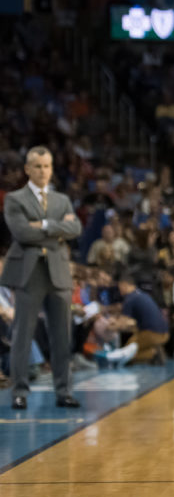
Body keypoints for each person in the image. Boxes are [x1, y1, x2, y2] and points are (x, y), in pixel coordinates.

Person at [2, 146, 82, 410]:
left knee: (62, 336)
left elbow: (75, 228)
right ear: (27, 169)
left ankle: (64, 391)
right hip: (29, 273)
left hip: (58, 272)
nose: (43, 171)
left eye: (47, 166)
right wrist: (57, 230)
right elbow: (22, 233)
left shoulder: (62, 199)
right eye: (37, 166)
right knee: (22, 335)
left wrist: (44, 225)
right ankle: (20, 391)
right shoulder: (15, 199)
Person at [110, 274, 169, 364]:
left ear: (124, 285)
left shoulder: (130, 298)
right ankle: (153, 350)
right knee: (133, 341)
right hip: (165, 333)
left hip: (152, 334)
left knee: (126, 352)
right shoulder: (142, 294)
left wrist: (110, 325)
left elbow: (122, 324)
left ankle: (153, 353)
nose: (119, 290)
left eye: (119, 287)